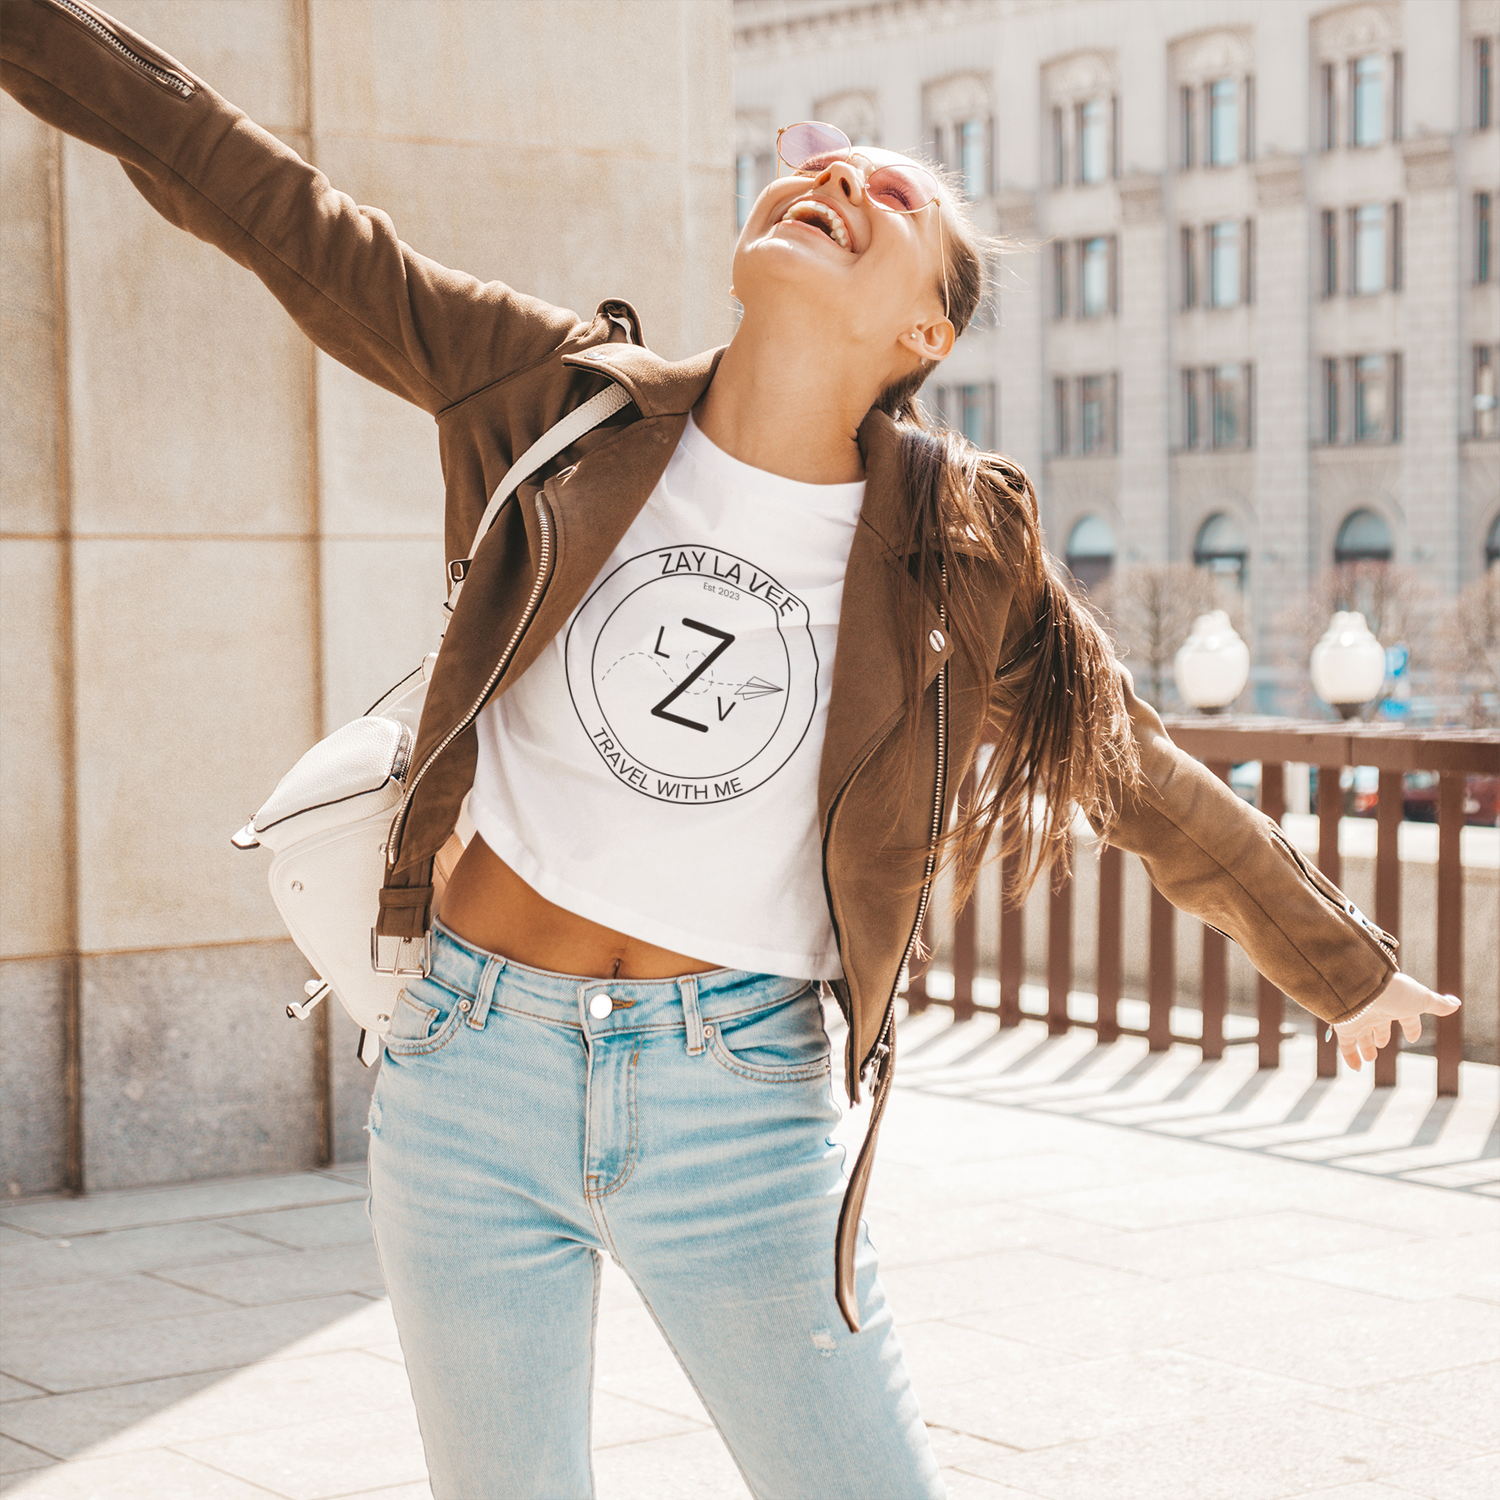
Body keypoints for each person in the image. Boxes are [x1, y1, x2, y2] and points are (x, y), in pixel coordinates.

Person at [0, 4, 1460, 1497]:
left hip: (739, 1109)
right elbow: (257, 195)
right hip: (468, 1073)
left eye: (895, 196)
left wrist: (1338, 964)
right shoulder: (555, 401)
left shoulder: (953, 544)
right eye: (819, 167)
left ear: (925, 332)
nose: (834, 181)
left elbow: (1127, 768)